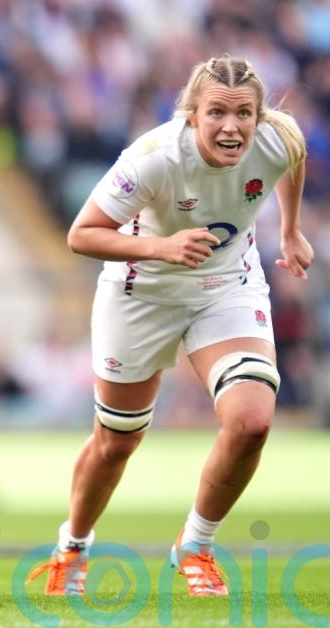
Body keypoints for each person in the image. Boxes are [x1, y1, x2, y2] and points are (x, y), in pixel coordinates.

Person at [29, 56, 312, 597]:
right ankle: (73, 547)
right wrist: (163, 247)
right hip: (142, 293)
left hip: (227, 286)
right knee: (116, 442)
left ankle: (196, 545)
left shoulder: (280, 139)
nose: (231, 126)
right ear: (192, 114)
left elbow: (292, 160)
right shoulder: (153, 158)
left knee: (252, 421)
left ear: (259, 117)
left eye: (244, 114)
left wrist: (291, 230)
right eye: (217, 113)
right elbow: (82, 234)